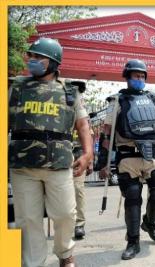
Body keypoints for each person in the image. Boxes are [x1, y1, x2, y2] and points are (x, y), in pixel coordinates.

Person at [8, 37, 93, 267]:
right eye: (31, 56)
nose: (32, 61)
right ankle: (32, 263)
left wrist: (87, 153)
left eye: (38, 57)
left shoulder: (70, 92)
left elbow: (83, 124)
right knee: (27, 220)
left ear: (53, 62)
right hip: (23, 166)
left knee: (66, 214)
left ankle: (65, 254)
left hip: (59, 164)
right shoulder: (14, 88)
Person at [99, 59, 155, 260]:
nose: (140, 79)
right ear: (127, 77)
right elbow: (107, 132)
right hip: (127, 156)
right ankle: (133, 242)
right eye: (136, 76)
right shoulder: (116, 101)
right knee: (133, 197)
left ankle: (150, 223)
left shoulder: (151, 99)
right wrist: (102, 161)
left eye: (142, 76)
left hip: (151, 154)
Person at [72, 126, 94, 240]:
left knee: (77, 188)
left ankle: (79, 225)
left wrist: (90, 160)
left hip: (79, 157)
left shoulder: (82, 116)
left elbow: (89, 139)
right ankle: (63, 225)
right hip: (60, 155)